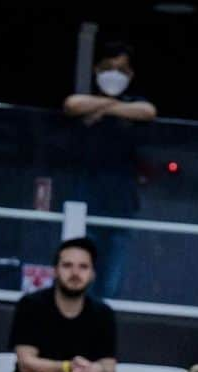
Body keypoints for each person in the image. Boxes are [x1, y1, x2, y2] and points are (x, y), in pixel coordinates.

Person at [2, 237, 127, 372]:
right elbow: (26, 362)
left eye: (83, 267)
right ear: (56, 271)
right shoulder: (32, 305)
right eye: (67, 265)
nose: (75, 273)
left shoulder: (103, 314)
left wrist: (98, 371)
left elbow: (110, 366)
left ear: (93, 274)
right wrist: (68, 368)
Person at [62, 38, 157, 300]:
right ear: (96, 70)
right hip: (86, 204)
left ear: (131, 75)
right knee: (80, 282)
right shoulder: (84, 101)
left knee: (111, 285)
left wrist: (106, 108)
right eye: (108, 67)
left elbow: (148, 111)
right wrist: (111, 106)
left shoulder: (135, 104)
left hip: (122, 207)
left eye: (121, 70)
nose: (114, 74)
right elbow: (72, 105)